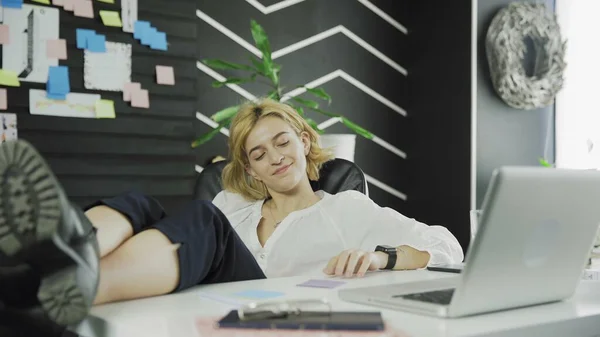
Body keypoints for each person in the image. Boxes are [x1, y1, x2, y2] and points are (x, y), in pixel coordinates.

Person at [0, 98, 463, 333]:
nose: (275, 157)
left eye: (282, 141)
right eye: (258, 154)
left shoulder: (346, 208)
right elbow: (175, 241)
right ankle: (58, 259)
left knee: (204, 220)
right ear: (252, 170)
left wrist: (383, 256)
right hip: (204, 301)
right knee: (141, 204)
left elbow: (448, 246)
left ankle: (65, 279)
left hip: (269, 313)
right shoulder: (235, 207)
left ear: (304, 140)